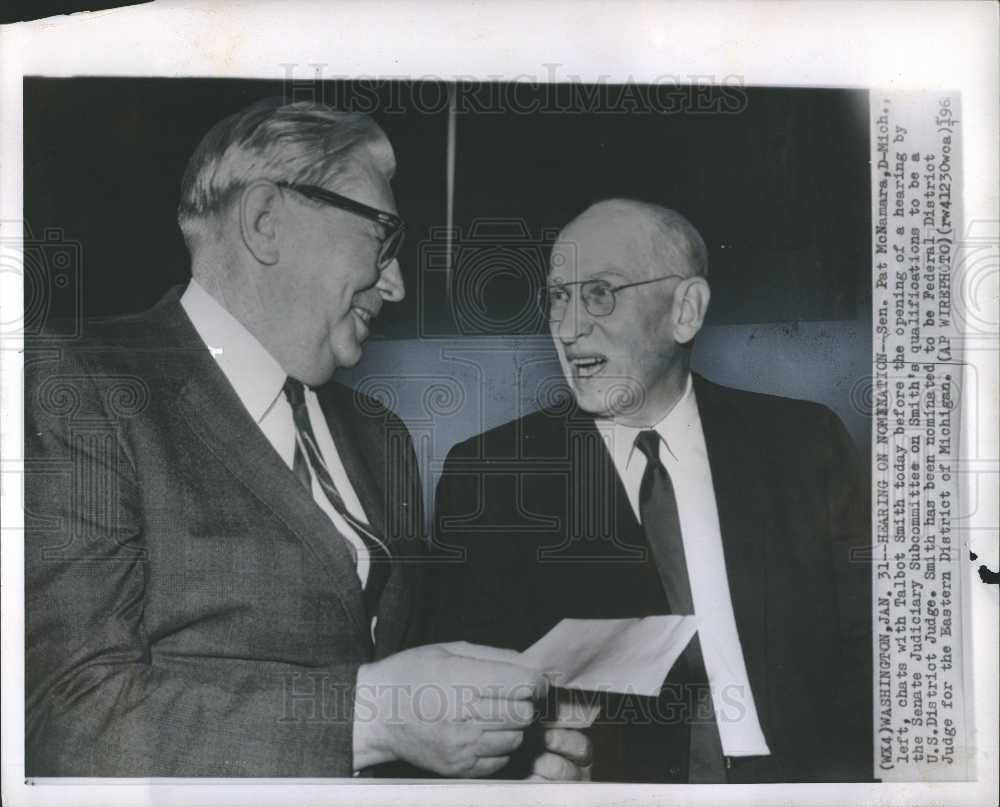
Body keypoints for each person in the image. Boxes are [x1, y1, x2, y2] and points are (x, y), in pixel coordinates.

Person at [24, 97, 591, 780]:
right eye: (381, 238)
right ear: (267, 222)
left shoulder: (381, 436)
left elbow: (400, 714)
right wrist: (375, 715)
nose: (398, 283)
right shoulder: (80, 385)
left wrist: (507, 760)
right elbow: (70, 717)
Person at [426, 198, 873, 783]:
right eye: (559, 296)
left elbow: (872, 652)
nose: (567, 327)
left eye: (600, 293)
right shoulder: (492, 474)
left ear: (685, 310)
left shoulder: (805, 443)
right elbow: (461, 699)